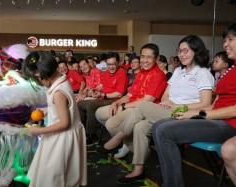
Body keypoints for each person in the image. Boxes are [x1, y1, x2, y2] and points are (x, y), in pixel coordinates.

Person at [104, 35, 215, 184]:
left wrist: (176, 106)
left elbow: (206, 103)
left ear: (196, 51)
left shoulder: (203, 73)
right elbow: (166, 95)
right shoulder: (178, 71)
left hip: (186, 114)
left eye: (185, 51)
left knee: (143, 105)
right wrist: (165, 103)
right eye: (180, 51)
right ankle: (138, 170)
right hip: (168, 110)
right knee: (140, 126)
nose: (181, 54)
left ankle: (120, 136)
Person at [152, 23, 236, 187]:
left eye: (230, 39)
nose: (225, 44)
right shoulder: (231, 70)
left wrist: (200, 114)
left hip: (228, 124)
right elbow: (214, 104)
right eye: (224, 40)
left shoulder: (203, 72)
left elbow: (224, 108)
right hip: (216, 119)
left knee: (163, 130)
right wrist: (189, 112)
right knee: (160, 125)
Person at [23, 51, 86, 187]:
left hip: (62, 138)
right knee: (54, 173)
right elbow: (62, 109)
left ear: (43, 75)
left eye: (38, 78)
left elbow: (64, 123)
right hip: (62, 135)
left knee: (54, 175)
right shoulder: (61, 80)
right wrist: (46, 111)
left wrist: (39, 131)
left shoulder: (58, 92)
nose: (39, 82)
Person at [95, 44, 167, 158]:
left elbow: (147, 100)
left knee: (110, 124)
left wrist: (124, 106)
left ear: (157, 59)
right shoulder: (141, 73)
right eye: (143, 56)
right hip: (130, 105)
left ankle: (131, 146)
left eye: (149, 57)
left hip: (141, 110)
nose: (144, 60)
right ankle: (129, 144)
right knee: (99, 113)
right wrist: (116, 103)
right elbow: (129, 95)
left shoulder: (158, 75)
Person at [78, 52, 128, 145]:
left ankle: (92, 135)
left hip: (113, 100)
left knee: (90, 106)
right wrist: (95, 89)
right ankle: (83, 131)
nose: (111, 67)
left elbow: (119, 94)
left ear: (118, 63)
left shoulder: (122, 74)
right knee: (80, 104)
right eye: (109, 64)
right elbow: (101, 85)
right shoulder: (107, 73)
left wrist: (103, 95)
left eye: (113, 64)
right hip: (104, 97)